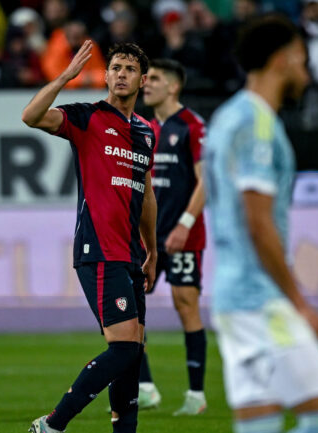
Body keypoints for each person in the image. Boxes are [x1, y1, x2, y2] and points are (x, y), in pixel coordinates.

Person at [204, 15, 318, 433]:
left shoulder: (227, 117)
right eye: (302, 59)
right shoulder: (257, 123)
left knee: (259, 426)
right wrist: (298, 302)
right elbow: (258, 222)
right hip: (259, 299)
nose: (307, 71)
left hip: (232, 298)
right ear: (282, 60)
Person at [22, 41, 157, 433]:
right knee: (125, 347)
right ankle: (52, 425)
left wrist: (152, 250)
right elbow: (31, 116)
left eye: (129, 69)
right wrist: (65, 77)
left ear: (141, 80)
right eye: (115, 67)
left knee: (133, 352)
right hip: (99, 248)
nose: (120, 74)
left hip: (132, 254)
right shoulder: (88, 118)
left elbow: (146, 193)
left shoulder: (145, 133)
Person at [140, 58, 208, 416]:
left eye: (154, 79)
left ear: (174, 86)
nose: (145, 84)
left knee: (186, 304)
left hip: (184, 235)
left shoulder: (192, 126)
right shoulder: (145, 128)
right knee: (131, 307)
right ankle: (145, 387)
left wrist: (184, 223)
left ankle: (196, 396)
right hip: (149, 235)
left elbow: (205, 180)